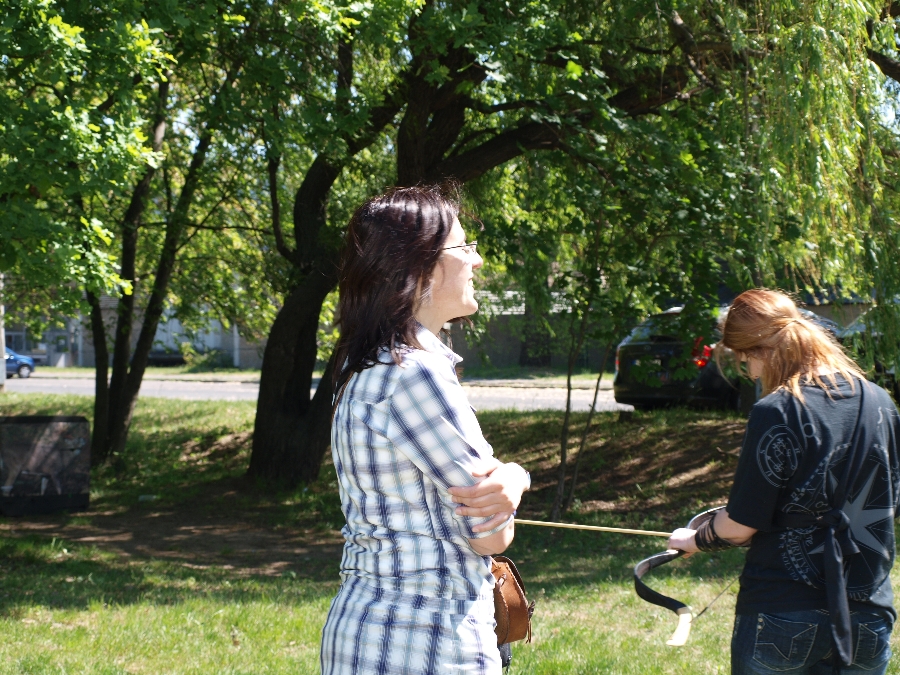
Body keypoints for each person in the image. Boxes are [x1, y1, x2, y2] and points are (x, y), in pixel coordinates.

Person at [321, 184, 531, 675]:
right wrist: (516, 477)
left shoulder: (364, 366)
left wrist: (511, 476)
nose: (477, 260)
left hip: (363, 635)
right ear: (421, 268)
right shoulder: (416, 374)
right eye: (464, 246)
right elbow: (492, 535)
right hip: (426, 641)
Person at [668, 289, 900, 675]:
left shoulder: (775, 409)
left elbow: (740, 527)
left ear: (759, 351)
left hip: (782, 615)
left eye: (746, 362)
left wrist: (693, 539)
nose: (752, 374)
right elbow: (886, 503)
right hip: (868, 615)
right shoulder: (881, 402)